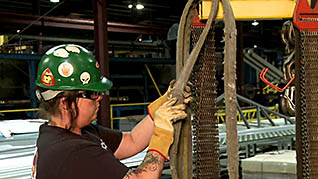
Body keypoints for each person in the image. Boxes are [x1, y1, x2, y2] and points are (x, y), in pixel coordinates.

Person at [31, 44, 191, 179]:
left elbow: (132, 141)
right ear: (65, 102)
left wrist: (165, 102)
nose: (99, 98)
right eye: (92, 94)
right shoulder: (72, 151)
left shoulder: (77, 132)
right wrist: (161, 135)